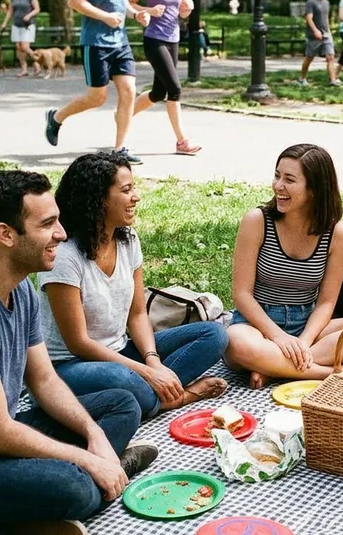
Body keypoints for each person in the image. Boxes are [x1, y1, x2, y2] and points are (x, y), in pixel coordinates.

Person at [0, 171, 158, 535]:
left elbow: (44, 380)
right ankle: (45, 503)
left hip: (1, 436)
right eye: (48, 224)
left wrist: (95, 437)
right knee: (73, 487)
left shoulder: (20, 285)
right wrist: (87, 459)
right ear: (6, 234)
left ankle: (94, 472)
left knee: (121, 403)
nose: (60, 233)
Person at [38, 152, 229, 419]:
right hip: (70, 366)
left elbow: (138, 314)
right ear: (98, 199)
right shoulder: (64, 256)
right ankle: (176, 397)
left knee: (215, 335)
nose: (136, 197)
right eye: (126, 190)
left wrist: (152, 361)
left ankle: (154, 395)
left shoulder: (128, 239)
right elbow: (79, 343)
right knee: (125, 379)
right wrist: (148, 373)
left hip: (121, 351)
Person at [225, 143, 343, 389]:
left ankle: (272, 368)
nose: (278, 185)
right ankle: (325, 373)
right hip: (256, 324)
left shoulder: (337, 233)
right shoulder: (257, 221)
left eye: (290, 179)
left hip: (307, 324)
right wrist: (278, 337)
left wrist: (303, 341)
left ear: (314, 189)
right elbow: (242, 295)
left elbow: (326, 303)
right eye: (277, 175)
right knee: (235, 343)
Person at [44, 0, 150, 165]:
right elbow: (74, 0)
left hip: (120, 41)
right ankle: (56, 118)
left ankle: (120, 149)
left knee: (129, 91)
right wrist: (104, 17)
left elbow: (121, 1)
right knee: (97, 98)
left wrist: (136, 15)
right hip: (96, 42)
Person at [128, 0, 200, 156]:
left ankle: (123, 114)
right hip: (154, 40)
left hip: (173, 39)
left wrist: (189, 7)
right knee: (175, 89)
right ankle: (182, 142)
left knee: (159, 92)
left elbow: (183, 11)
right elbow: (128, 4)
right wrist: (148, 9)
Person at [299, 0, 340, 87]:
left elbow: (326, 19)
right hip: (314, 36)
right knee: (309, 57)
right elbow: (308, 18)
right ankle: (302, 78)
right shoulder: (311, 2)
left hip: (326, 35)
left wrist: (329, 32)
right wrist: (315, 30)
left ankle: (332, 81)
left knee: (330, 57)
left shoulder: (327, 3)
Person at [0, 0, 41, 77]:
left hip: (28, 25)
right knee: (18, 47)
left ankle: (37, 63)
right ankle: (24, 69)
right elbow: (10, 11)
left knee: (25, 47)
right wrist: (4, 23)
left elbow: (37, 9)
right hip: (16, 25)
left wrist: (29, 15)